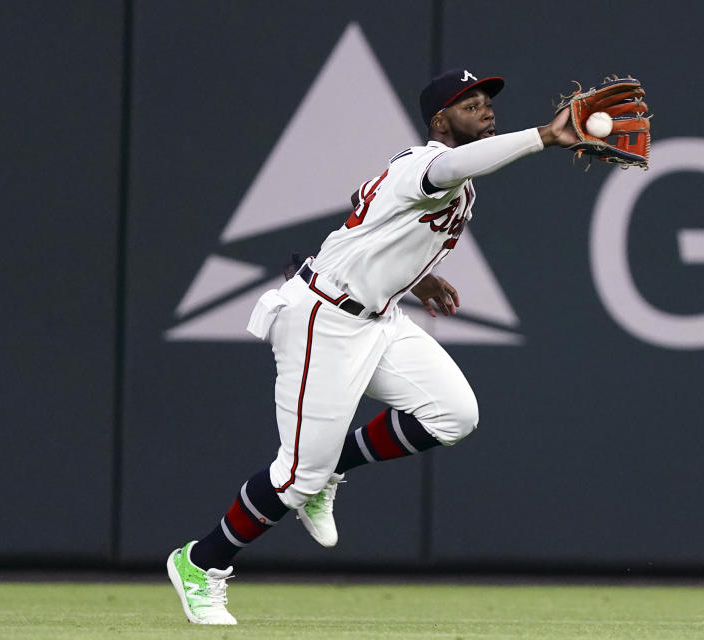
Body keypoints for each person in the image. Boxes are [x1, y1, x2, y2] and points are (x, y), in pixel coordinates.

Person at [167, 68, 582, 625]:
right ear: (441, 121)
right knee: (294, 478)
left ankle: (334, 464)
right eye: (469, 105)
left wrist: (418, 274)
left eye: (487, 102)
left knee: (453, 414)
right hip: (325, 320)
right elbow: (448, 167)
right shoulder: (426, 163)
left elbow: (375, 229)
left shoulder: (453, 183)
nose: (485, 111)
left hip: (377, 317)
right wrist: (544, 137)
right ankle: (201, 563)